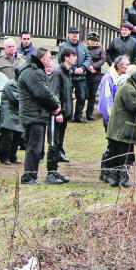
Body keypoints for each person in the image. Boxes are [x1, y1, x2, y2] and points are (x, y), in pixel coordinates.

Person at [18, 49, 62, 185]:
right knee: (34, 147)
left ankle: (31, 175)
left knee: (35, 147)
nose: (51, 59)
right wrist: (55, 105)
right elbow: (42, 93)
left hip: (36, 114)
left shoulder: (33, 71)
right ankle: (29, 177)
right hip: (34, 115)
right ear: (43, 59)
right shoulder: (34, 72)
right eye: (49, 57)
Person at [106, 70, 136, 188]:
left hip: (119, 129)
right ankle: (124, 180)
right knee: (124, 155)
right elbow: (135, 106)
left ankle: (115, 179)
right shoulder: (129, 90)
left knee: (118, 154)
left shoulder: (128, 87)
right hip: (123, 130)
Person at [98, 56, 130, 183]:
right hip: (112, 120)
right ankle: (106, 172)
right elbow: (106, 101)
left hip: (118, 119)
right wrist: (111, 120)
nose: (128, 67)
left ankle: (110, 172)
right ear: (119, 66)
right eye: (127, 65)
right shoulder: (108, 78)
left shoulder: (120, 78)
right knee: (112, 146)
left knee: (115, 146)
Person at [46, 47, 75, 183]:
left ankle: (55, 171)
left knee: (59, 143)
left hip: (64, 115)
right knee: (53, 143)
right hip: (57, 115)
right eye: (73, 55)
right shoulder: (57, 73)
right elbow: (55, 93)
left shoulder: (67, 73)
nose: (76, 58)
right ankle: (50, 173)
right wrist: (58, 111)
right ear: (66, 58)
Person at [59, 27, 92, 123]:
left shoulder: (83, 46)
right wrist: (73, 70)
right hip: (69, 75)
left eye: (76, 33)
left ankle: (78, 116)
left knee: (82, 97)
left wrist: (82, 68)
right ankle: (68, 115)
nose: (75, 35)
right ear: (68, 34)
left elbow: (88, 58)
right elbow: (61, 60)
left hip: (81, 76)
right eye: (73, 33)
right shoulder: (63, 47)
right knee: (67, 97)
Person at [0, 70, 23, 165]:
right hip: (8, 114)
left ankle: (13, 156)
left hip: (17, 113)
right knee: (8, 137)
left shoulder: (21, 84)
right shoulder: (11, 84)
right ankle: (4, 157)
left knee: (17, 136)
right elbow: (15, 99)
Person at [84, 32, 106, 122]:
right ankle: (79, 113)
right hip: (85, 74)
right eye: (91, 40)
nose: (93, 42)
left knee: (92, 95)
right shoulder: (84, 48)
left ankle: (89, 113)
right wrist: (88, 66)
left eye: (94, 41)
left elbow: (103, 59)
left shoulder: (100, 49)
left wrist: (94, 66)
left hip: (96, 74)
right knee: (83, 94)